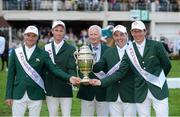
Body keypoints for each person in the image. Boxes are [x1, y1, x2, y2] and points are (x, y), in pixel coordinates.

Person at [90, 20, 171, 117]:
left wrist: (157, 78)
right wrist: (100, 81)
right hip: (140, 92)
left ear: (145, 32)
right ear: (131, 33)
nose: (137, 34)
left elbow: (167, 65)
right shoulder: (129, 51)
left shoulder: (156, 45)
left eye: (139, 31)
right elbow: (121, 72)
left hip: (158, 89)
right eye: (135, 31)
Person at [5, 25, 80, 117]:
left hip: (36, 94)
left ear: (37, 38)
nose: (30, 38)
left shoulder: (43, 54)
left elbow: (54, 69)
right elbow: (10, 76)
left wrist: (69, 78)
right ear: (24, 36)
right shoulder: (16, 52)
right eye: (28, 35)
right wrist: (8, 95)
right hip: (18, 93)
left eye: (33, 36)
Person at [93, 25, 136, 116]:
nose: (119, 37)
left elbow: (122, 73)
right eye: (116, 35)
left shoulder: (133, 51)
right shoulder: (108, 52)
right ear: (113, 37)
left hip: (129, 93)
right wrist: (87, 61)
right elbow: (98, 67)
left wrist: (101, 82)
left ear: (126, 35)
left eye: (122, 35)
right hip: (113, 94)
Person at [44, 20, 76, 116]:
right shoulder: (46, 48)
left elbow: (71, 68)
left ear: (64, 32)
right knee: (52, 115)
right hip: (50, 88)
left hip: (65, 88)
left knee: (66, 115)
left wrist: (73, 78)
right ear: (52, 31)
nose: (58, 32)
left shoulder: (71, 49)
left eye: (61, 30)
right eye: (56, 30)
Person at [77, 25, 109, 116]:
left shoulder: (109, 50)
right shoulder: (82, 50)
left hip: (103, 91)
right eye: (91, 34)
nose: (93, 36)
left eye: (96, 34)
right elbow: (78, 69)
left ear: (100, 35)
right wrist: (83, 79)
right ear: (88, 35)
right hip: (87, 90)